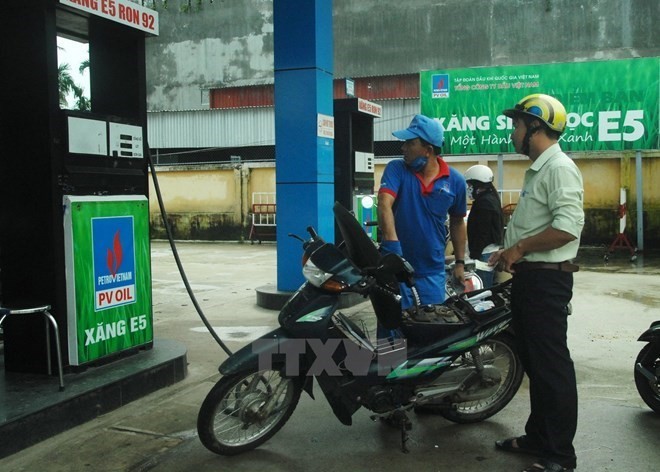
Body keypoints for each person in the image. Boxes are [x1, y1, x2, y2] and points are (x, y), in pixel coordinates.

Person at [489, 94, 584, 472]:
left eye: (517, 125)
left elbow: (566, 228)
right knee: (534, 363)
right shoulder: (539, 170)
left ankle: (561, 456)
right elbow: (540, 223)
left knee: (552, 368)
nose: (513, 132)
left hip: (547, 283)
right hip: (531, 279)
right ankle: (538, 437)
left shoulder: (559, 168)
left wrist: (521, 248)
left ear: (536, 129)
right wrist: (508, 250)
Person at [377, 114, 467, 329]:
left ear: (428, 149)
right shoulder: (396, 169)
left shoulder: (455, 181)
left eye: (410, 142)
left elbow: (457, 222)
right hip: (394, 272)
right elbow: (384, 202)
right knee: (392, 334)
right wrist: (392, 246)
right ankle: (392, 364)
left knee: (430, 331)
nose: (403, 148)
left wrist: (460, 263)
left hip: (431, 274)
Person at [464, 164, 504, 288]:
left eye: (470, 185)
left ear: (478, 185)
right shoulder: (490, 198)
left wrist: (474, 256)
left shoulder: (485, 203)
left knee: (482, 293)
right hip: (488, 251)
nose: (468, 188)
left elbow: (482, 232)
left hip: (484, 254)